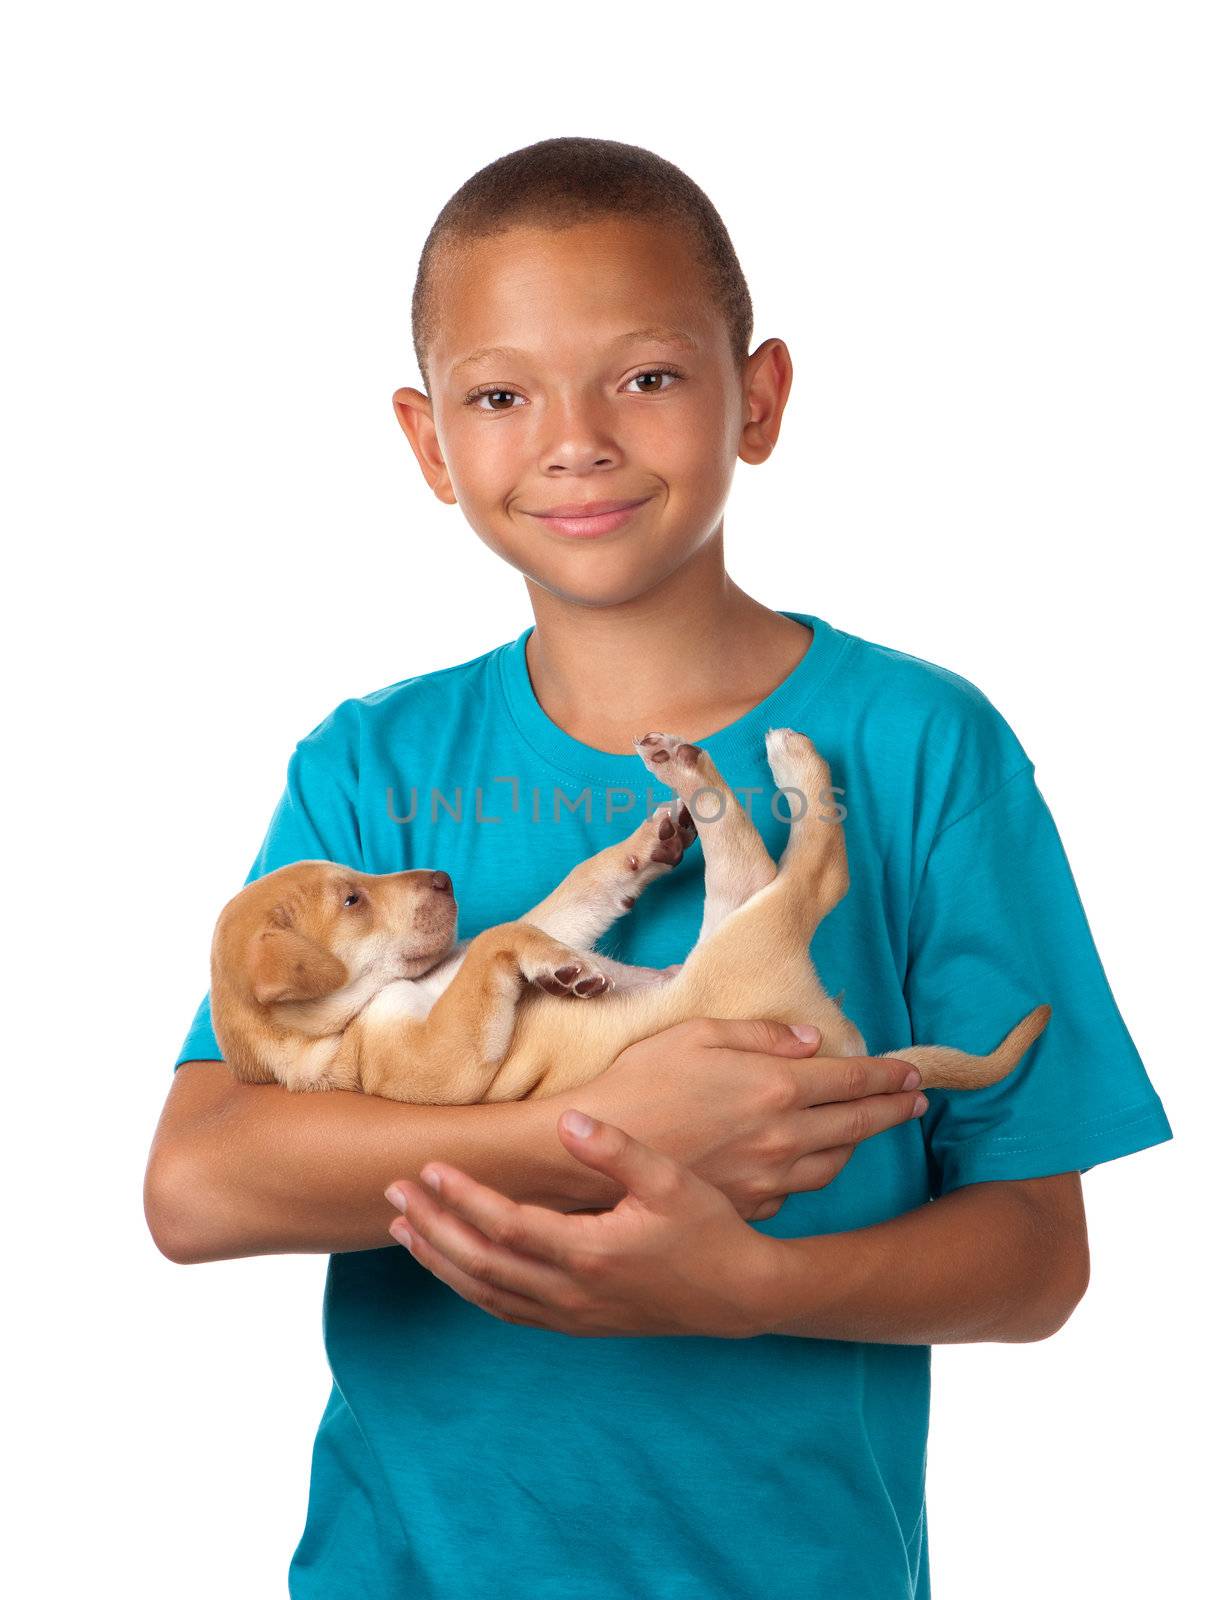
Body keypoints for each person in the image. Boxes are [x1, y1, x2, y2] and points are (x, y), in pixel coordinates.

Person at [144, 136, 1174, 1599]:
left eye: (644, 376)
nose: (576, 439)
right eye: (500, 395)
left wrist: (754, 1287)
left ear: (756, 398)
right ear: (430, 443)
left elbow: (1032, 1256)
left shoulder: (924, 743)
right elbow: (201, 1185)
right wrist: (606, 1127)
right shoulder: (368, 767)